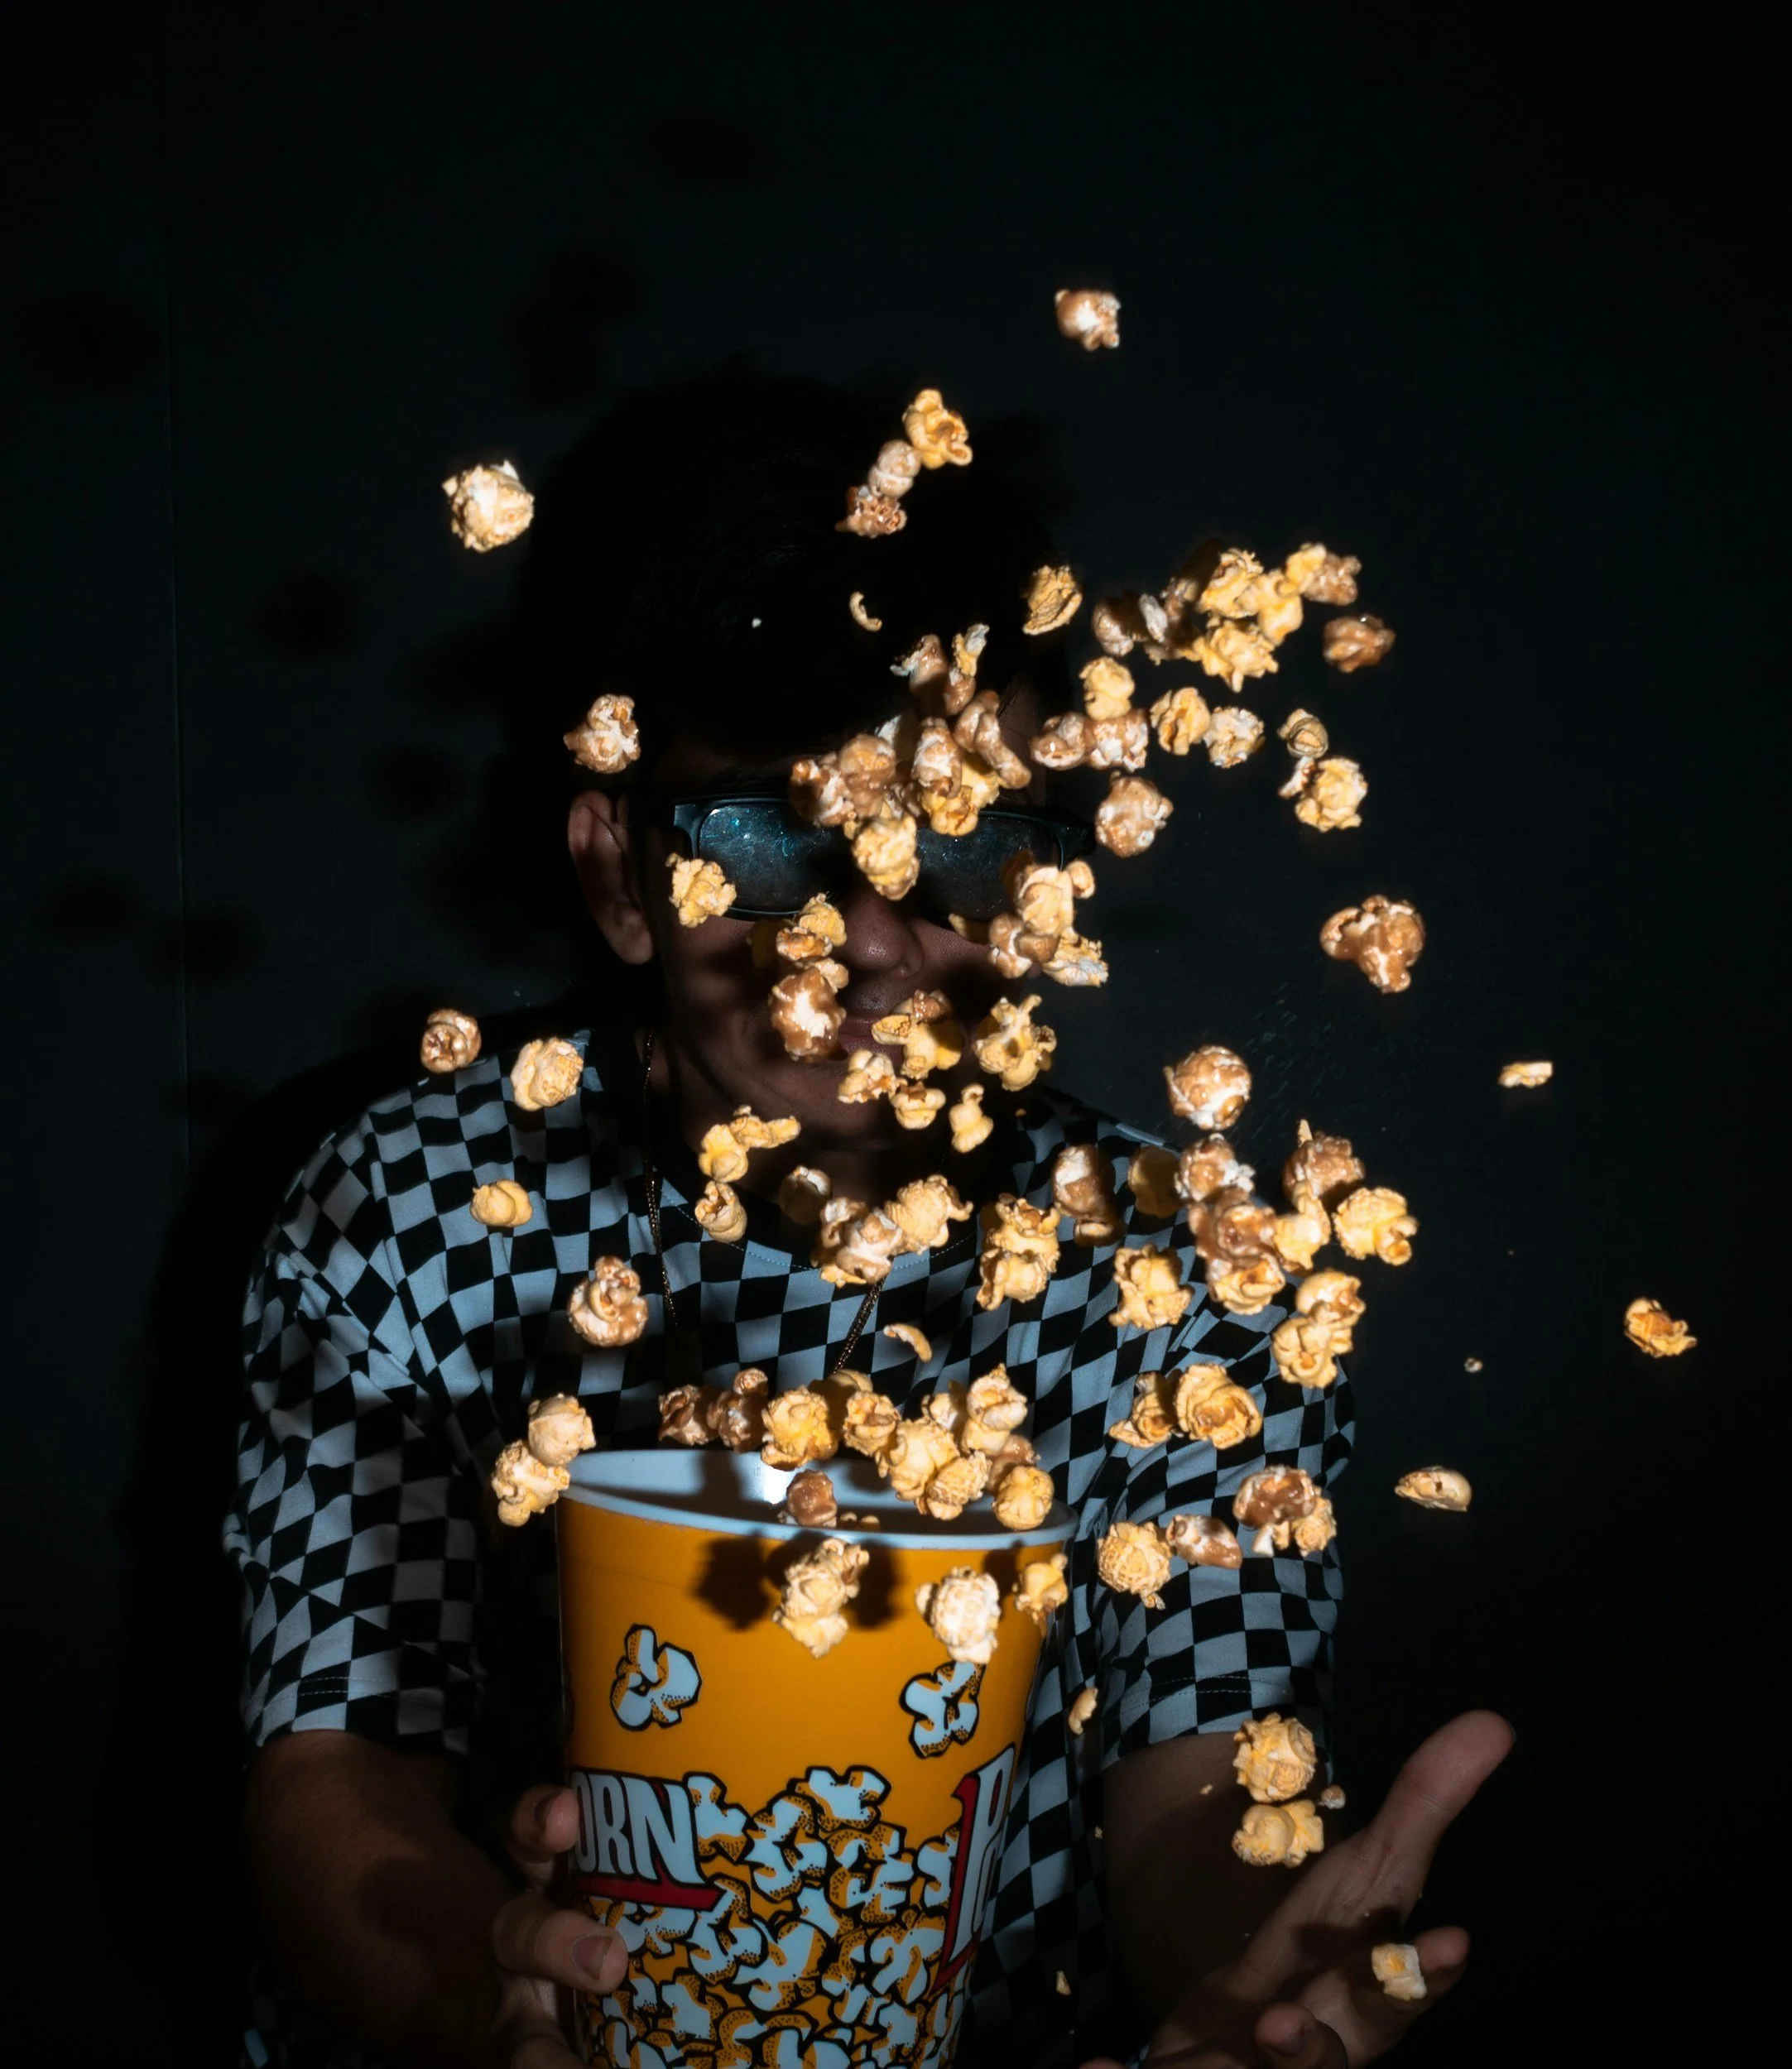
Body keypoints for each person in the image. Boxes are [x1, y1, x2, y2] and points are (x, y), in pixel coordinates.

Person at [226, 370, 1511, 2069]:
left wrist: (1249, 1984)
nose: (877, 937)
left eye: (960, 842)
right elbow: (335, 1768)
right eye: (771, 838)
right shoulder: (412, 1209)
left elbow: (1203, 1781)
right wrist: (489, 1999)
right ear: (620, 870)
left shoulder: (1184, 1267)